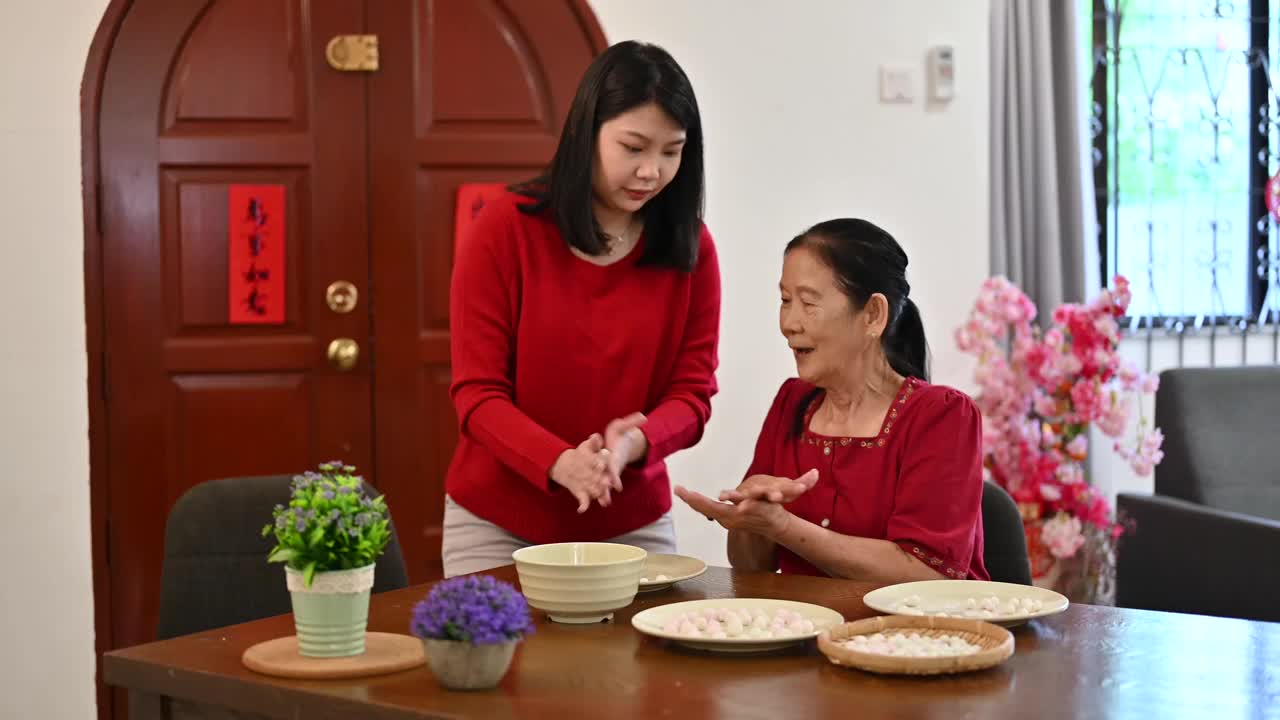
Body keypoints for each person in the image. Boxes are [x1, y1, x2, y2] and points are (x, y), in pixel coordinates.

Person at [442, 41, 720, 578]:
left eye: (671, 151)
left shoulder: (691, 248)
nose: (651, 171)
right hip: (497, 521)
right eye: (633, 147)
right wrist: (559, 462)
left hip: (632, 519)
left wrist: (635, 443)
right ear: (586, 133)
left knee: (648, 661)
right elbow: (477, 395)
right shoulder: (504, 229)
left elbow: (692, 395)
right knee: (500, 661)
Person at [675, 219, 989, 583]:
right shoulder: (792, 402)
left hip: (925, 635)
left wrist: (784, 527)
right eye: (785, 300)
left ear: (873, 315)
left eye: (808, 303)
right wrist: (751, 519)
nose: (789, 323)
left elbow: (928, 575)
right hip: (808, 630)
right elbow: (752, 567)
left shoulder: (942, 415)